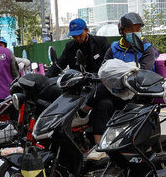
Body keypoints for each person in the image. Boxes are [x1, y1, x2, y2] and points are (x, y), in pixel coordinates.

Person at [80, 12, 159, 146]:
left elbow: (143, 71)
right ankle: (99, 146)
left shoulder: (147, 49)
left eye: (137, 29)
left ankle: (83, 111)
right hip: (115, 92)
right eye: (130, 29)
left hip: (136, 94)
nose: (134, 32)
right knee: (103, 104)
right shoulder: (114, 47)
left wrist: (118, 72)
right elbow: (104, 70)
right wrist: (122, 71)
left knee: (102, 88)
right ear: (121, 31)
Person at [45, 18, 109, 77]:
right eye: (74, 36)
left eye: (80, 35)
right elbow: (59, 65)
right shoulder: (70, 47)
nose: (78, 38)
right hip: (78, 84)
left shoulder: (101, 43)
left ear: (86, 30)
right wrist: (45, 78)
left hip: (99, 80)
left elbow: (111, 61)